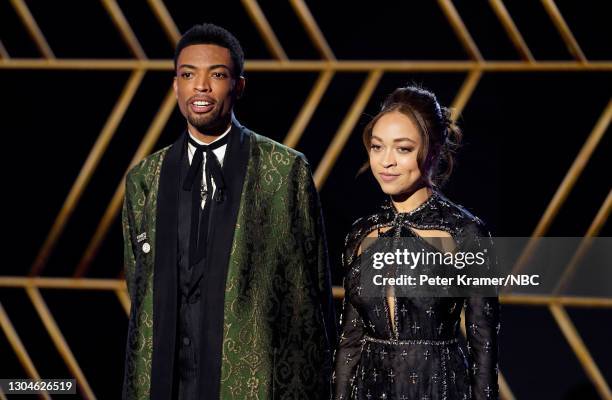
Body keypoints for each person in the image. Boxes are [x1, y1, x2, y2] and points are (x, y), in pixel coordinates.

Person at [121, 23, 335, 399]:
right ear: (175, 85)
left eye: (216, 75)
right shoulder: (145, 178)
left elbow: (309, 292)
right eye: (188, 75)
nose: (201, 86)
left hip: (247, 380)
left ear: (238, 86)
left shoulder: (283, 171)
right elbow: (138, 288)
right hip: (165, 379)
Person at [333, 86, 500, 399]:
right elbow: (350, 343)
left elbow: (484, 347)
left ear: (434, 149)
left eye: (403, 149)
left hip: (439, 388)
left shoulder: (464, 233)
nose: (386, 161)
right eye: (377, 147)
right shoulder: (360, 234)